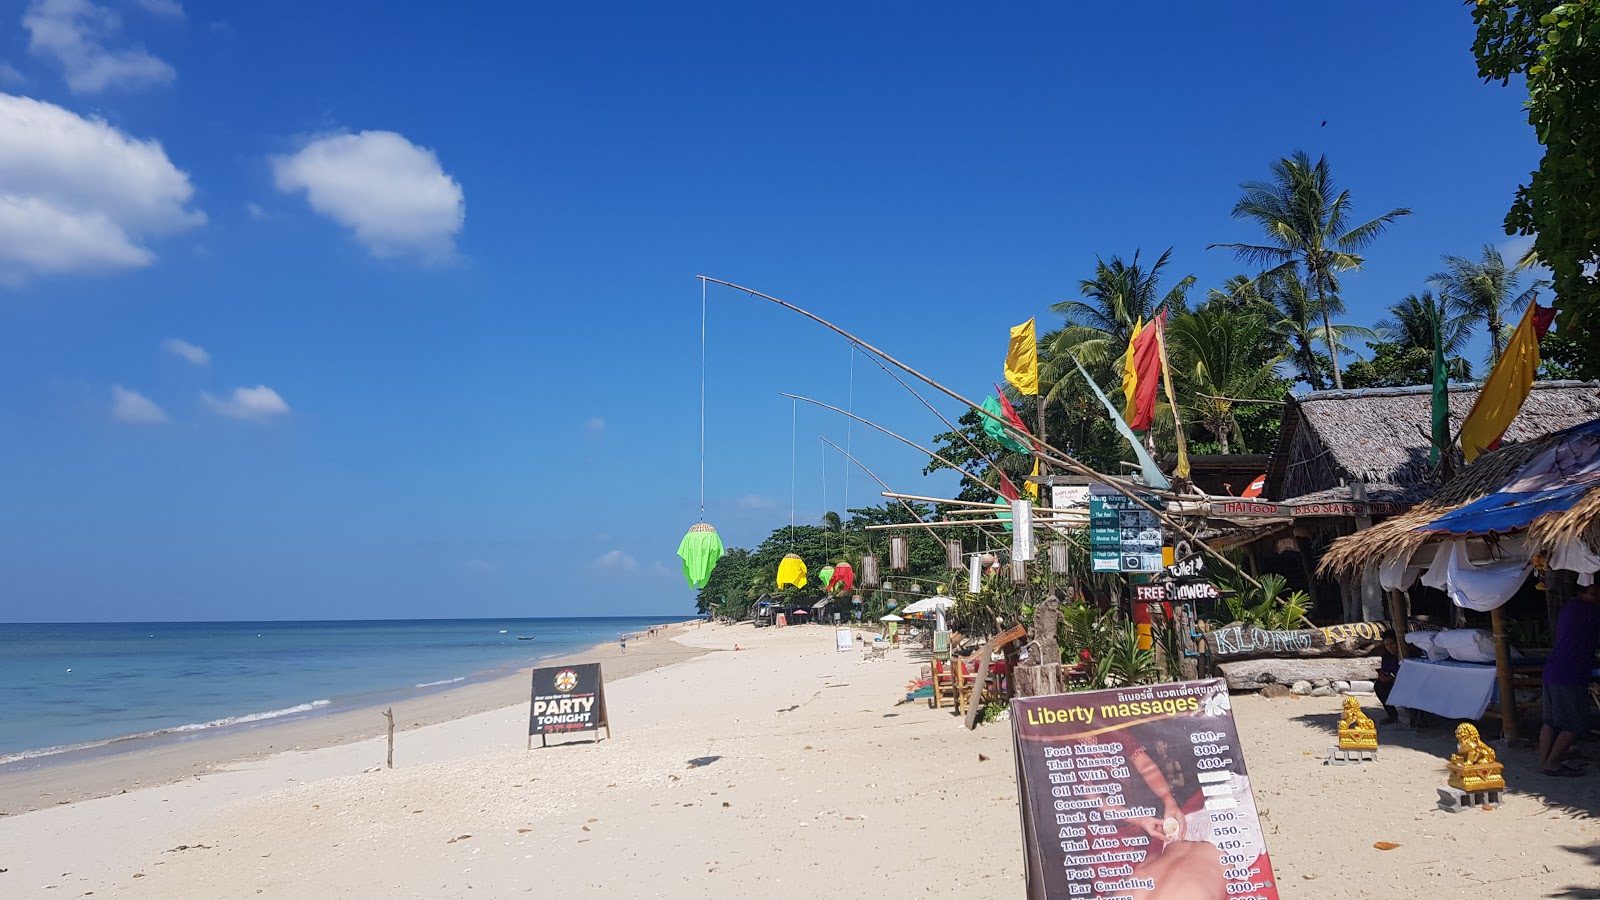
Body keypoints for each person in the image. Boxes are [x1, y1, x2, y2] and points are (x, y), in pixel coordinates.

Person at [1538, 582, 1600, 777]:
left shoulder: (1569, 608)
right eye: (1595, 593)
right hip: (1570, 674)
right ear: (1584, 593)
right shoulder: (1590, 612)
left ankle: (1545, 761)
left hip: (1552, 670)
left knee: (1550, 721)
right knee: (1575, 724)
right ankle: (1553, 763)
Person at [1375, 635, 1401, 724]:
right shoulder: (1386, 656)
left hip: (1406, 681)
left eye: (1392, 644)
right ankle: (1392, 715)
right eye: (1387, 645)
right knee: (1379, 686)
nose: (1390, 647)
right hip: (1393, 680)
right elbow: (1386, 670)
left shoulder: (1405, 654)